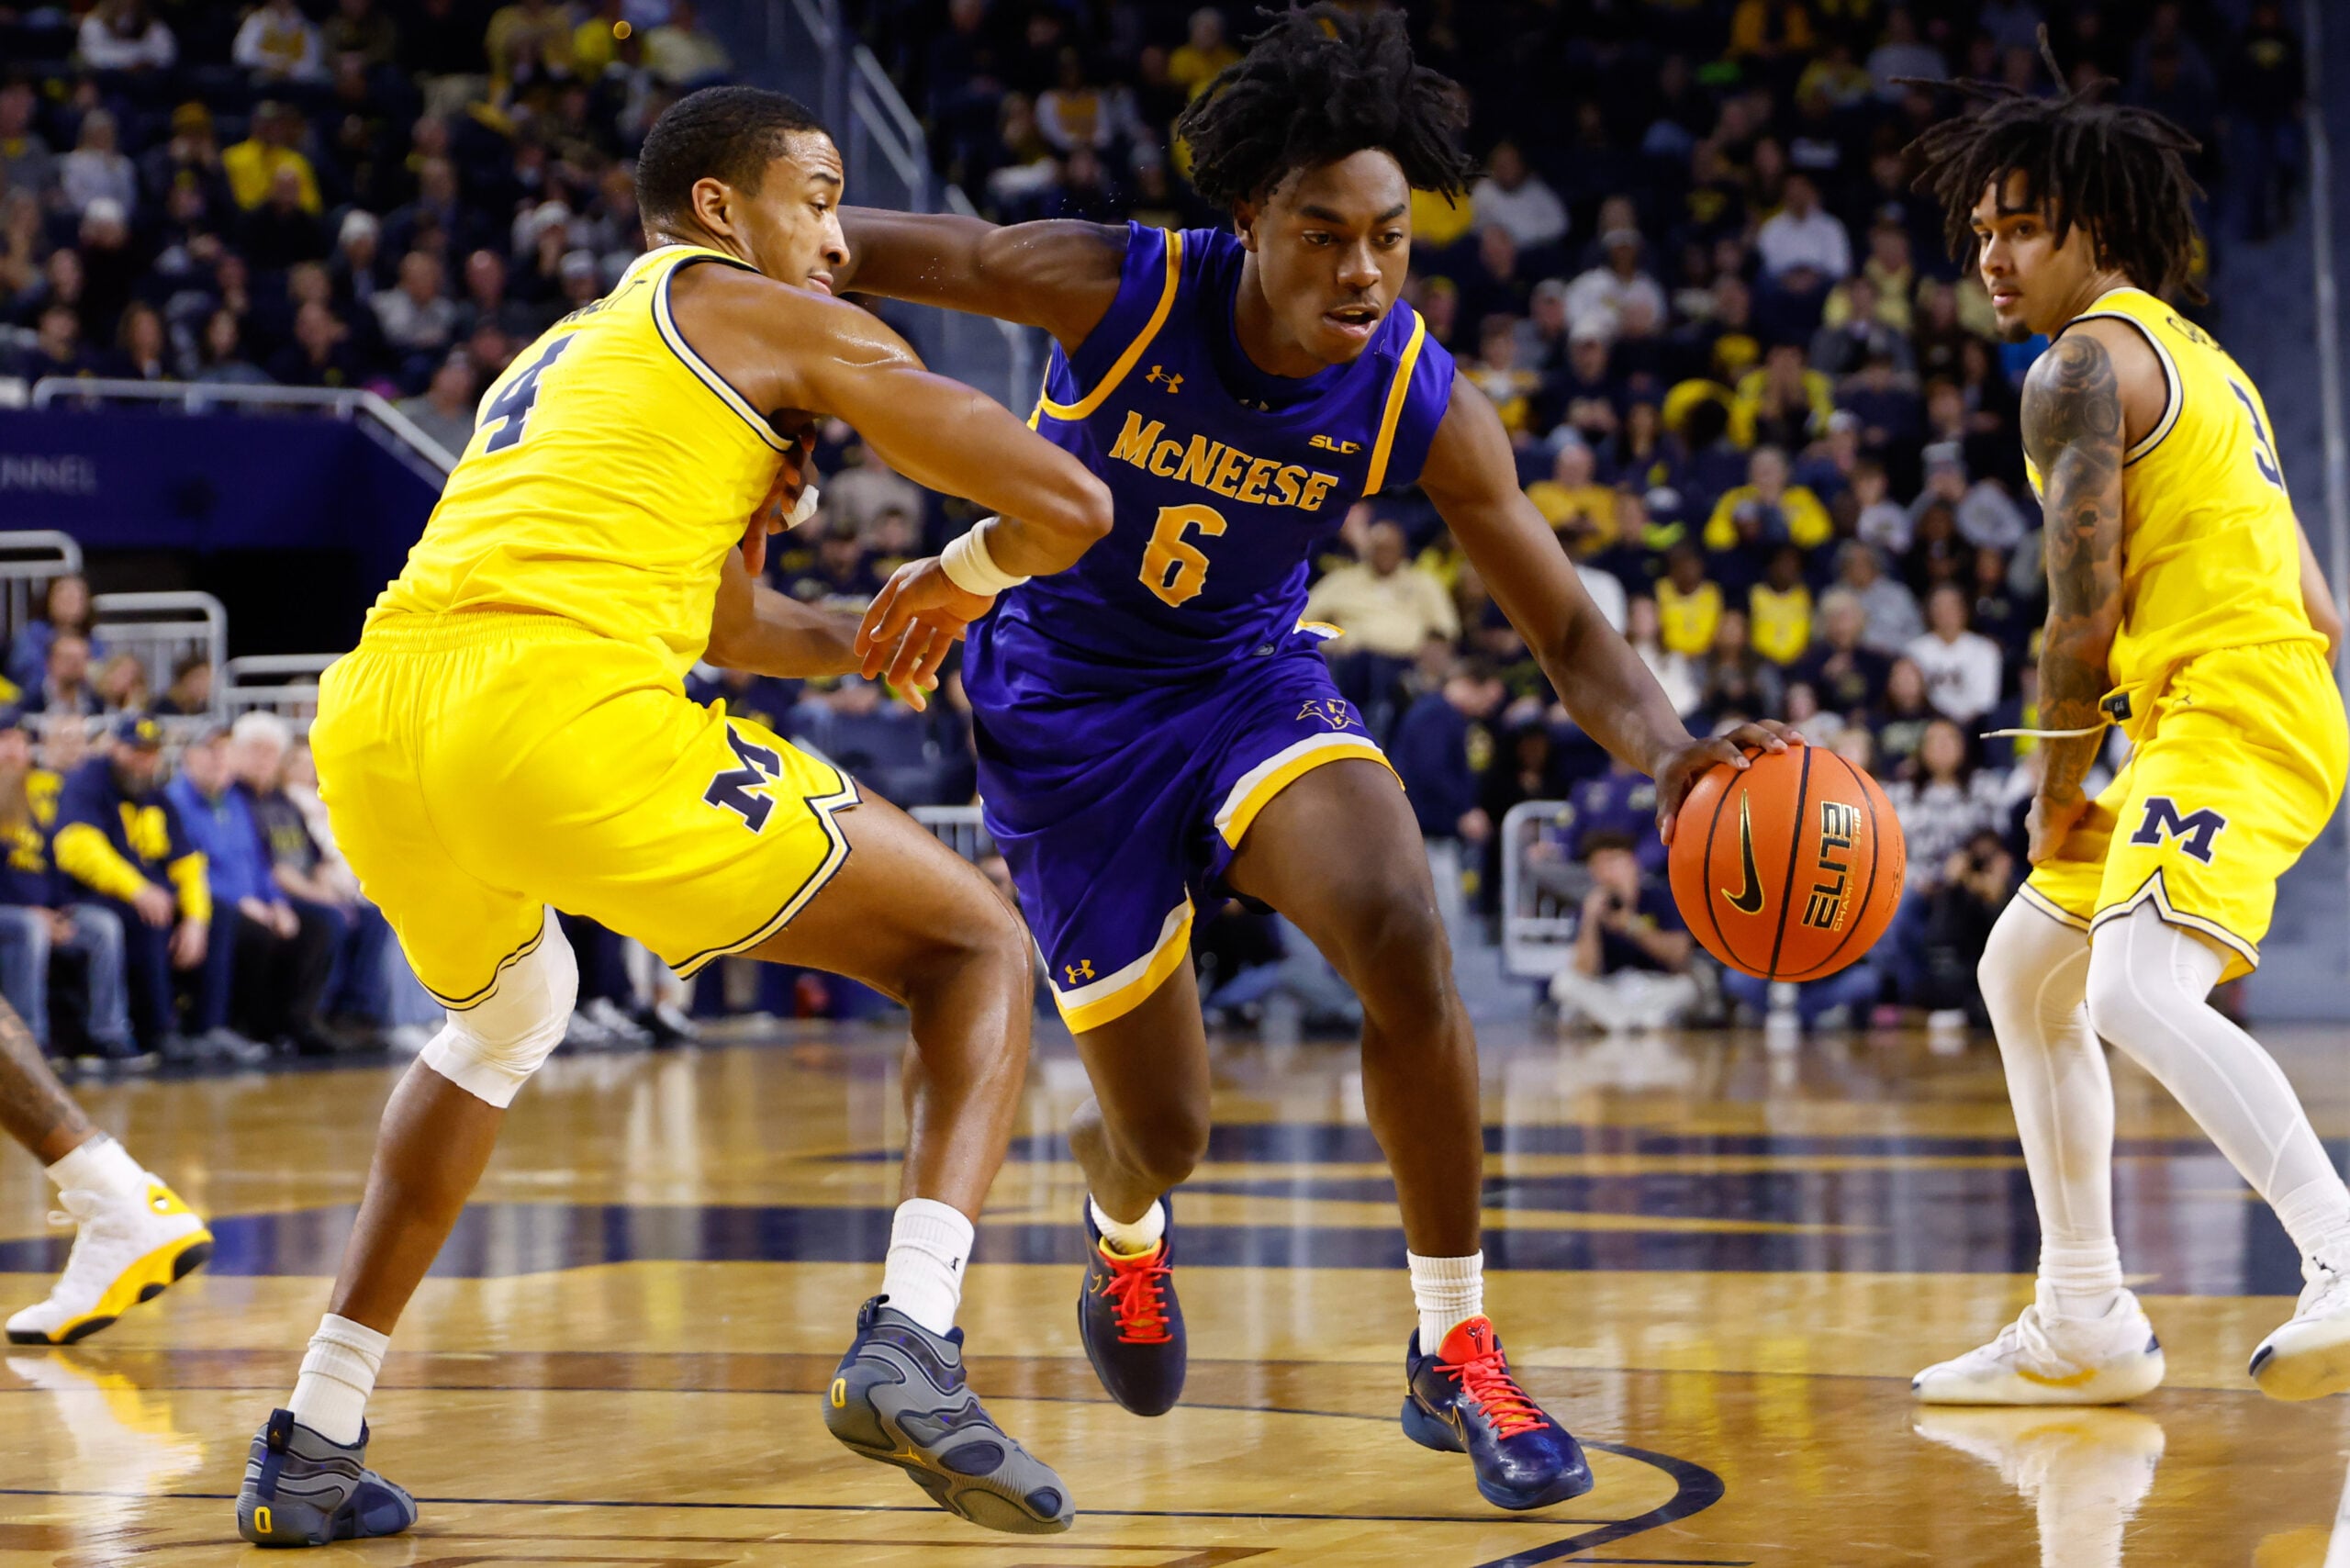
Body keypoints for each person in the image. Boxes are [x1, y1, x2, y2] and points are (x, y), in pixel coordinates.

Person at [833, 6, 1785, 1511]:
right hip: (1066, 718)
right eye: (1325, 233)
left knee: (1403, 931)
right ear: (1251, 219)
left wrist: (1669, 754)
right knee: (1168, 1129)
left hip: (1243, 684)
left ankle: (1453, 1340)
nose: (1360, 270)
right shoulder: (1123, 284)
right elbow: (893, 249)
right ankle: (1124, 1225)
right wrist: (733, 235)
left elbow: (1568, 629)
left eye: (1391, 239)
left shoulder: (1416, 390)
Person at [234, 85, 1117, 1546]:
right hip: (555, 710)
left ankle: (315, 1434)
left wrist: (865, 631)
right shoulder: (769, 317)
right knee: (973, 947)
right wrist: (964, 569)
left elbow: (716, 616)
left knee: (509, 1019)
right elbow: (1065, 504)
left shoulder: (577, 345)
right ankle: (914, 1338)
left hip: (381, 716)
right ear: (722, 209)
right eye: (820, 198)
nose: (840, 241)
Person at [1906, 43, 2350, 1407]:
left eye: (2021, 227)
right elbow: (2320, 603)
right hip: (2227, 703)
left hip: (2227, 707)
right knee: (2021, 974)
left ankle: (2340, 1247)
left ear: (2094, 228)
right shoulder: (2204, 361)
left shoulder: (2078, 376)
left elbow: (2075, 619)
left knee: (2133, 990)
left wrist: (2052, 791)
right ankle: (2085, 1315)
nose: (1992, 257)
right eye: (1980, 230)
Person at [51, 716, 210, 1062]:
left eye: (150, 753)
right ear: (114, 748)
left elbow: (187, 862)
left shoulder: (156, 796)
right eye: (135, 751)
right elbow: (77, 848)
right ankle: (158, 1030)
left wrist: (197, 918)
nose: (143, 760)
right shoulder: (88, 783)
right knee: (151, 914)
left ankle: (207, 1027)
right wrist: (137, 889)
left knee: (218, 917)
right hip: (87, 895)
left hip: (144, 895)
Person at [0, 708, 137, 1066]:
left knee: (101, 926)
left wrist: (61, 909)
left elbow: (51, 865)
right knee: (30, 929)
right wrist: (33, 912)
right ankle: (31, 1043)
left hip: (42, 910)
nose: (13, 752)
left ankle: (110, 1034)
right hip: (13, 914)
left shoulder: (35, 799)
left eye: (19, 743)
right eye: (4, 743)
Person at [1547, 830, 1697, 1034]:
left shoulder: (1660, 897)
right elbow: (1583, 970)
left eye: (1613, 862)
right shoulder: (1591, 906)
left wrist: (1631, 926)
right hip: (1610, 987)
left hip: (1654, 985)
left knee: (1687, 989)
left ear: (1633, 863)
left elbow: (1679, 955)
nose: (1606, 873)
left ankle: (1620, 1021)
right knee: (1563, 984)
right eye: (1598, 866)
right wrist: (1590, 920)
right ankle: (1633, 1022)